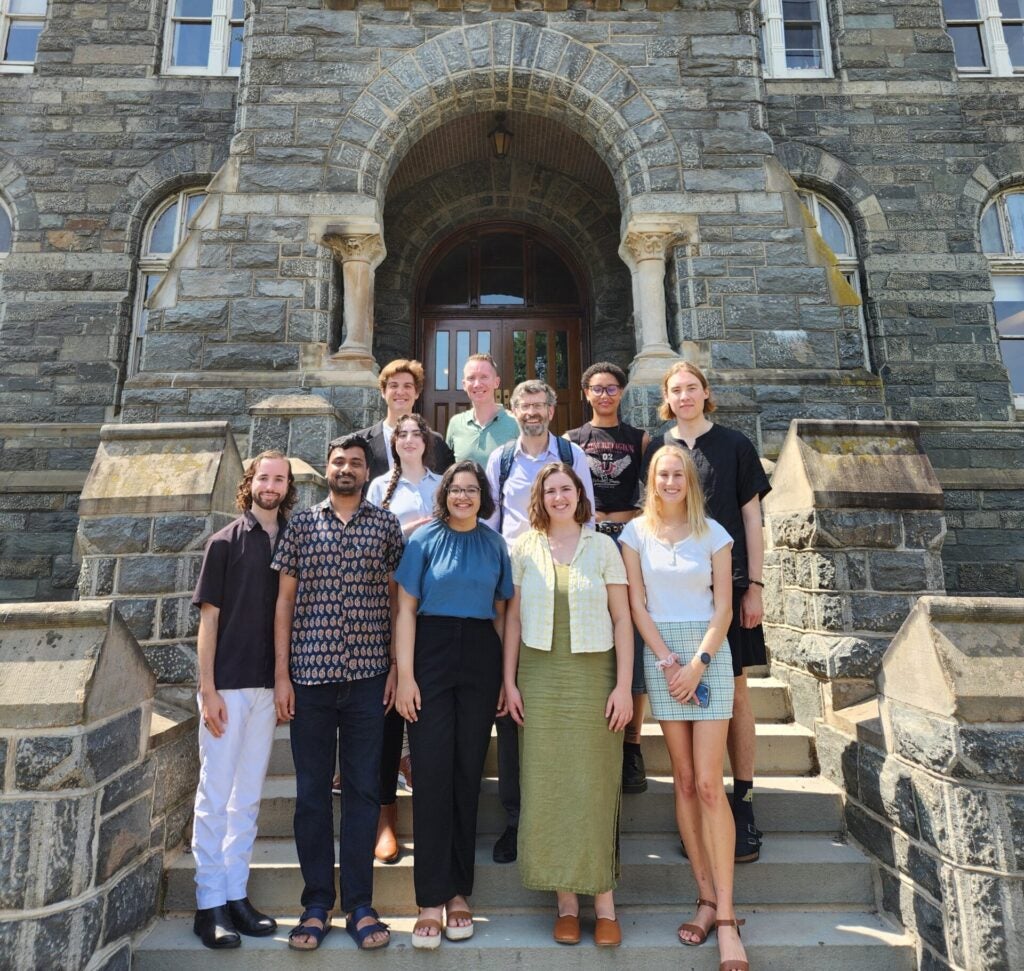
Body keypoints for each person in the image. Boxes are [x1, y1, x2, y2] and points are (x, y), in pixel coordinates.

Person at [271, 435, 404, 952]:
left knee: (364, 791)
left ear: (367, 471)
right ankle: (316, 902)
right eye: (337, 462)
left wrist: (396, 667)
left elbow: (397, 605)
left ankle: (361, 904)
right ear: (326, 469)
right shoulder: (301, 525)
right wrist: (282, 675)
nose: (345, 468)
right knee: (310, 795)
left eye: (354, 462)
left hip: (370, 677)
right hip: (309, 679)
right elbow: (284, 604)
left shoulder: (386, 526)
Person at [620, 446, 749, 971]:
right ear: (651, 481)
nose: (670, 481)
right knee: (682, 779)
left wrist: (696, 662)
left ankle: (727, 917)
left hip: (707, 654)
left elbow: (723, 607)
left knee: (709, 783)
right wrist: (668, 661)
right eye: (662, 474)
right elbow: (636, 604)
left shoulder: (714, 532)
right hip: (662, 654)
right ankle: (704, 898)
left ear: (689, 479)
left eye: (678, 474)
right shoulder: (634, 534)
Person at [642, 360, 771, 864]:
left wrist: (755, 585)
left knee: (735, 692)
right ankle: (699, 808)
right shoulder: (659, 448)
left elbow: (751, 518)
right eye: (676, 390)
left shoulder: (734, 445)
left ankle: (743, 801)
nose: (685, 396)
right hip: (676, 600)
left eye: (692, 388)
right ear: (667, 398)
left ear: (705, 392)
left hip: (730, 590)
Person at [504, 464, 633, 948]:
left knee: (594, 786)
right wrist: (510, 682)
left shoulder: (603, 547)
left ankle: (603, 902)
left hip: (594, 676)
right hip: (538, 677)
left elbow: (622, 620)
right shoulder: (524, 547)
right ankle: (565, 904)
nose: (558, 497)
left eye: (566, 489)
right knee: (547, 784)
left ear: (579, 495)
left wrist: (623, 687)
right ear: (540, 498)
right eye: (550, 490)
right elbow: (512, 619)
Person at [394, 461, 513, 949]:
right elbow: (403, 609)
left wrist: (506, 679)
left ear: (482, 496)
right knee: (432, 773)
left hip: (481, 656)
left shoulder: (495, 543)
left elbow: (504, 614)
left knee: (467, 773)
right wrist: (404, 676)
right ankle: (429, 899)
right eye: (455, 489)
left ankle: (460, 893)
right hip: (431, 653)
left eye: (471, 489)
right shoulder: (422, 540)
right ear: (444, 495)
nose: (463, 496)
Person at [483, 379, 596, 864]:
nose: (532, 411)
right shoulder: (501, 459)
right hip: (512, 594)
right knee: (512, 709)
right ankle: (515, 819)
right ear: (513, 410)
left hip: (565, 590)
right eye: (524, 404)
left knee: (559, 708)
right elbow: (488, 523)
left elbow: (587, 521)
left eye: (539, 404)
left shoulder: (573, 456)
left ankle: (571, 816)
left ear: (552, 409)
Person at [190, 451, 295, 949]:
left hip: (267, 688)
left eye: (281, 478)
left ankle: (236, 894)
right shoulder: (224, 542)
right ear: (250, 482)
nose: (272, 485)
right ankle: (207, 903)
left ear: (288, 486)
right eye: (265, 477)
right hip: (227, 688)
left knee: (247, 798)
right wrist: (206, 690)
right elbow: (207, 621)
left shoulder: (294, 540)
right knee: (215, 797)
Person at [565, 361, 650, 796]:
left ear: (621, 392)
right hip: (590, 541)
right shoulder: (572, 442)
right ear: (585, 392)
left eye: (611, 388)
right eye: (597, 388)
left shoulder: (640, 439)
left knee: (631, 631)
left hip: (631, 540)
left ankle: (632, 744)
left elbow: (650, 492)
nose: (604, 395)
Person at [365, 413, 442, 865]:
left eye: (417, 434)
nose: (410, 439)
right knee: (389, 709)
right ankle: (385, 818)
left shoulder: (441, 483)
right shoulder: (380, 489)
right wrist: (416, 529)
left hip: (432, 606)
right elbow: (377, 541)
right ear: (393, 443)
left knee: (425, 704)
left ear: (427, 441)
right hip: (387, 605)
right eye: (402, 434)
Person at [356, 358, 454, 480]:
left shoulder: (436, 443)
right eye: (394, 386)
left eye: (407, 386)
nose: (400, 392)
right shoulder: (361, 442)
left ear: (417, 393)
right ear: (383, 392)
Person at [445, 351, 519, 466]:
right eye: (471, 378)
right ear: (464, 385)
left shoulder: (515, 423)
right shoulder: (455, 424)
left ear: (496, 382)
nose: (477, 384)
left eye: (484, 377)